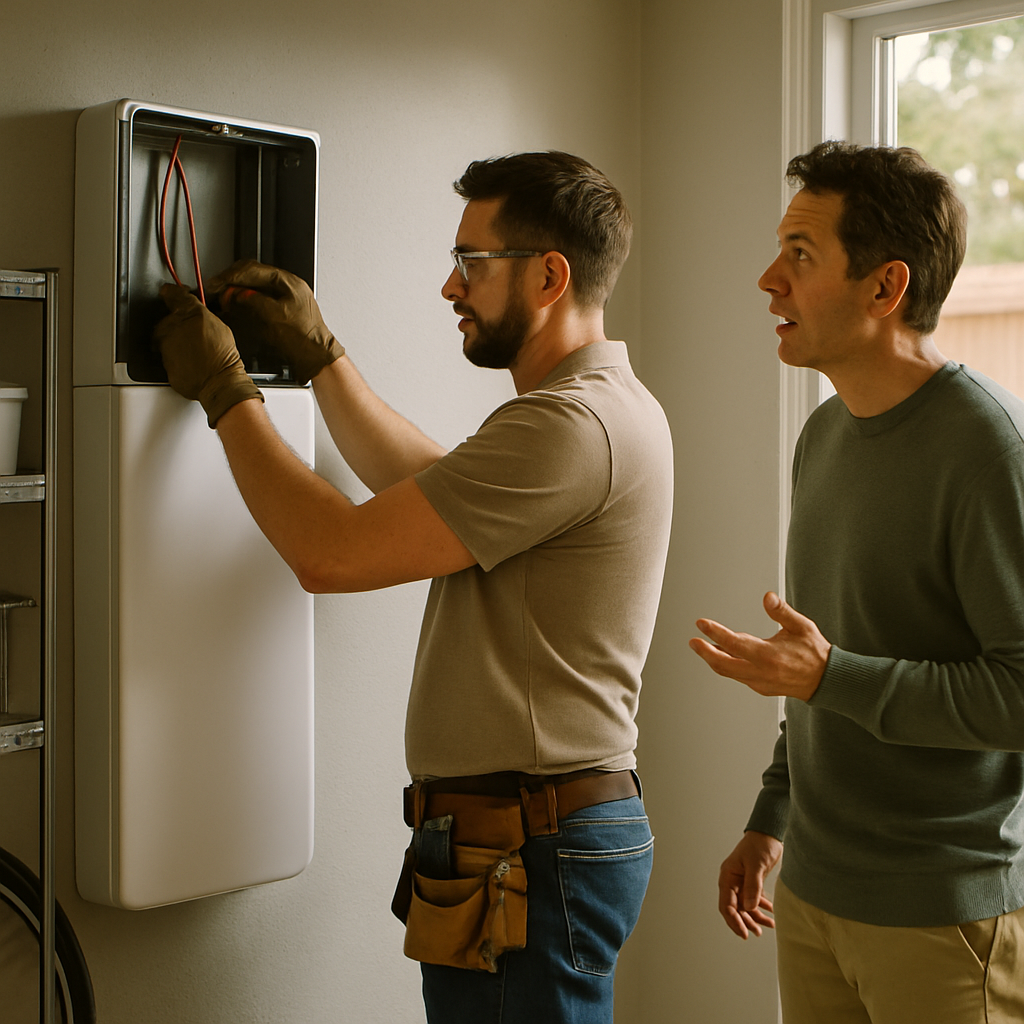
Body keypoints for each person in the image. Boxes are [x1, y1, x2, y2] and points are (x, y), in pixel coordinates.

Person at [154, 150, 673, 1024]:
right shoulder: (590, 410)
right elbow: (426, 488)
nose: (450, 287)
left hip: (529, 843)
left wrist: (225, 392)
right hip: (524, 836)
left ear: (550, 276)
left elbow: (334, 553)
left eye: (472, 263)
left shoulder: (573, 425)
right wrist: (323, 362)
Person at [690, 140, 1024, 1024]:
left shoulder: (990, 449)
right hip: (812, 896)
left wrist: (831, 677)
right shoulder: (824, 435)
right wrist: (772, 817)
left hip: (943, 918)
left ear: (885, 288)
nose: (769, 279)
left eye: (801, 256)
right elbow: (820, 657)